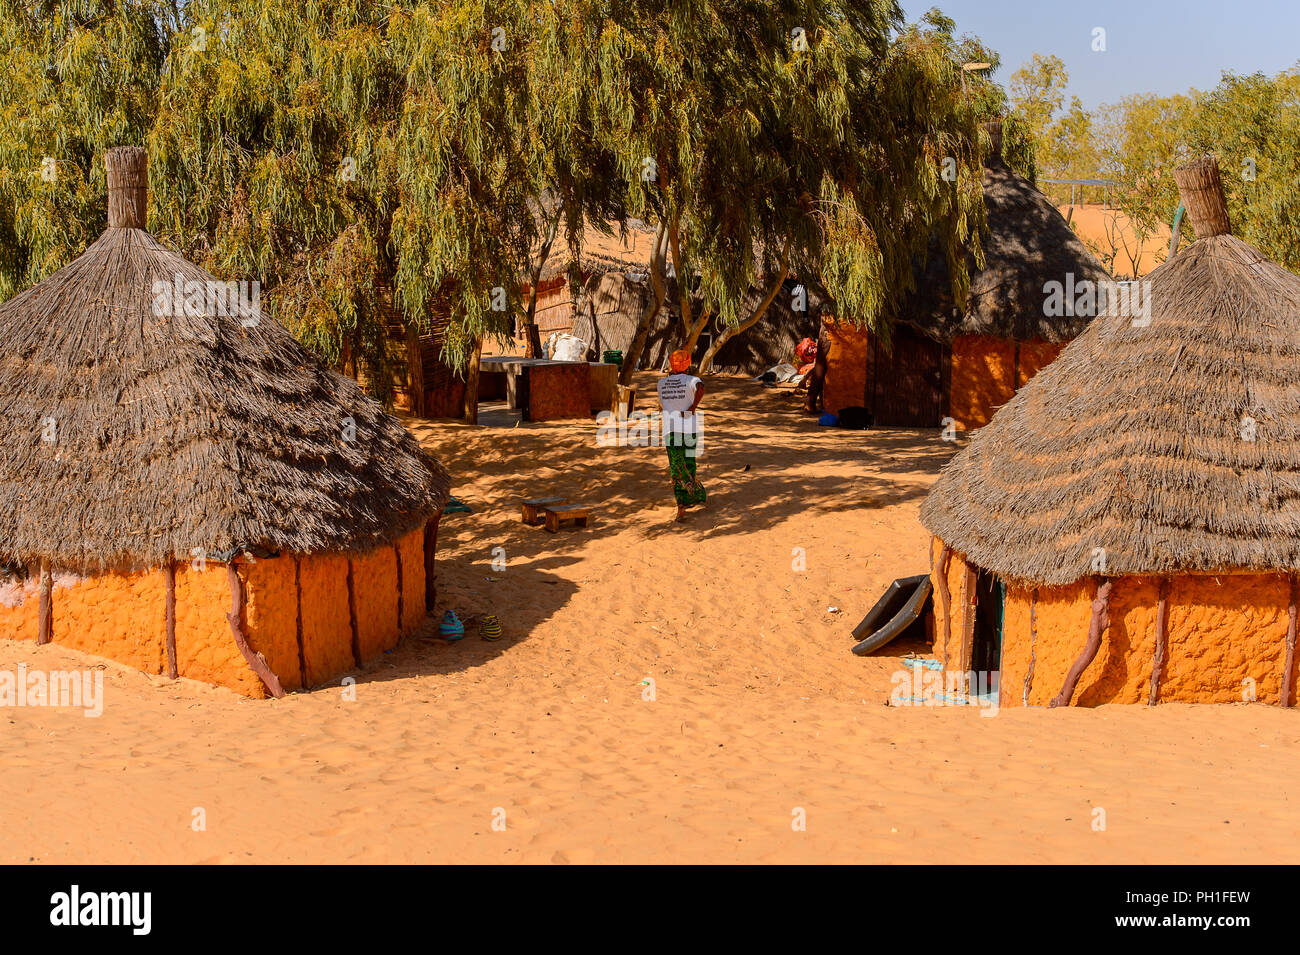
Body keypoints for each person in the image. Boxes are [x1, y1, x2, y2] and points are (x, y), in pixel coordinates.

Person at [657, 350, 706, 520]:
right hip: (689, 429)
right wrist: (692, 407)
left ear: (671, 364)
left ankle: (682, 504)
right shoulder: (692, 380)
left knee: (676, 466)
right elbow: (701, 388)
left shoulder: (662, 383)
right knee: (689, 461)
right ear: (688, 364)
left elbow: (663, 404)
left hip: (671, 429)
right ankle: (693, 493)